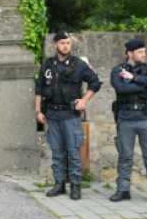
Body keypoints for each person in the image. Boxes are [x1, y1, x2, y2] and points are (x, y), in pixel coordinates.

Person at [34, 32, 101, 201]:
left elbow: (95, 82)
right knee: (57, 152)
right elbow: (39, 89)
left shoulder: (78, 65)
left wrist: (84, 100)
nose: (66, 46)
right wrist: (38, 111)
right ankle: (59, 184)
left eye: (68, 43)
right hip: (52, 115)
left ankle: (75, 186)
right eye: (62, 43)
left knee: (73, 151)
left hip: (70, 114)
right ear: (55, 44)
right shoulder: (48, 65)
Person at [109, 38, 147, 204]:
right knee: (125, 156)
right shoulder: (118, 70)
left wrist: (133, 78)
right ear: (130, 53)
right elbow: (120, 88)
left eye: (144, 51)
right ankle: (123, 190)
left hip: (146, 117)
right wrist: (144, 84)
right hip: (125, 117)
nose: (144, 54)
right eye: (140, 52)